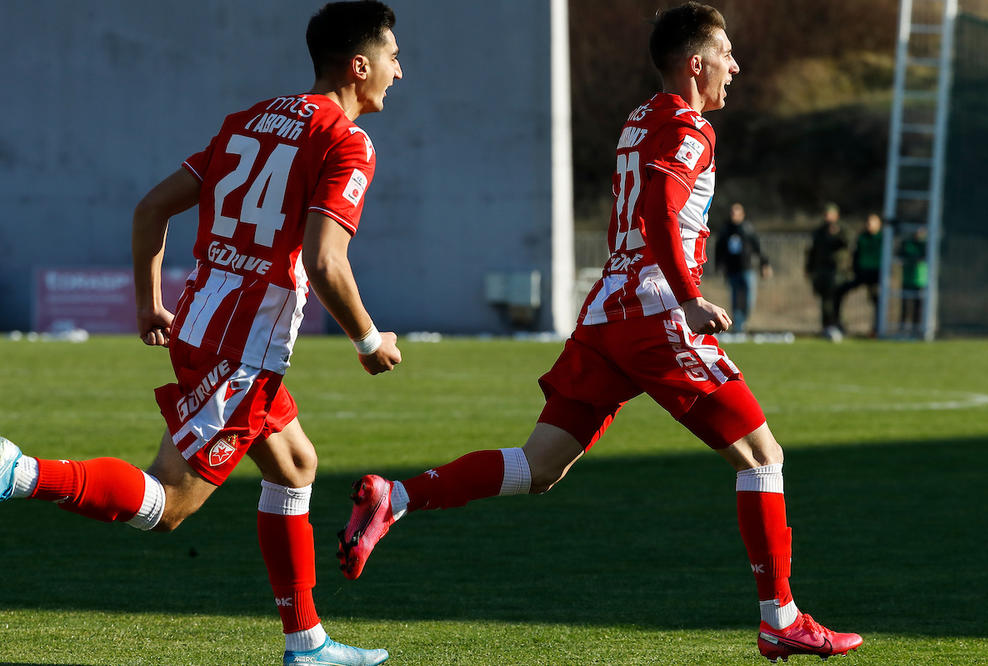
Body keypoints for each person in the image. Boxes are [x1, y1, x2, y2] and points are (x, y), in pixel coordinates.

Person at [336, 3, 863, 663]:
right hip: (652, 313)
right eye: (726, 53)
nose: (736, 65)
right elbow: (662, 212)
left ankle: (400, 496)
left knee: (539, 466)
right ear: (695, 63)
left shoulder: (642, 118)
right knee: (763, 456)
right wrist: (690, 297)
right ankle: (781, 617)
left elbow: (648, 205)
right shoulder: (690, 127)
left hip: (606, 314)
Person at [0, 3, 402, 664]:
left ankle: (306, 643)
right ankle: (20, 471)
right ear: (359, 66)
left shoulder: (249, 119)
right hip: (242, 344)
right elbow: (327, 261)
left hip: (204, 318)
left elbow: (152, 207)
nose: (398, 70)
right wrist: (368, 340)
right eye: (392, 56)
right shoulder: (346, 141)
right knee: (170, 502)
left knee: (296, 464)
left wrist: (146, 303)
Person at [715, 202, 771, 333]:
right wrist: (719, 266)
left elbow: (758, 247)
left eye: (737, 213)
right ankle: (738, 326)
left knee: (748, 299)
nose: (734, 216)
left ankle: (743, 320)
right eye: (732, 213)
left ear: (742, 215)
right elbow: (719, 249)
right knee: (735, 299)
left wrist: (765, 264)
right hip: (732, 270)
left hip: (747, 269)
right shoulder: (726, 230)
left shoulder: (747, 229)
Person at [805, 202, 850, 341]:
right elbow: (812, 251)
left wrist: (837, 234)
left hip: (838, 271)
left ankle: (837, 325)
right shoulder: (819, 231)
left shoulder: (843, 229)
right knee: (825, 300)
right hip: (822, 270)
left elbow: (848, 243)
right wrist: (809, 268)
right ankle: (827, 327)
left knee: (836, 300)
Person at [837, 213, 883, 336]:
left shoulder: (883, 238)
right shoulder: (861, 237)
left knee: (878, 300)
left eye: (872, 222)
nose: (869, 225)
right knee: (839, 291)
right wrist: (854, 270)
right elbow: (855, 255)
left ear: (879, 224)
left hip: (876, 275)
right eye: (867, 222)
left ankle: (877, 329)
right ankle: (838, 324)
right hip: (862, 273)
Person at [899, 226, 928, 334]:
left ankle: (916, 329)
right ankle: (902, 328)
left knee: (918, 307)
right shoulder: (907, 244)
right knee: (905, 306)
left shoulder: (926, 244)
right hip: (907, 279)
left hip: (921, 280)